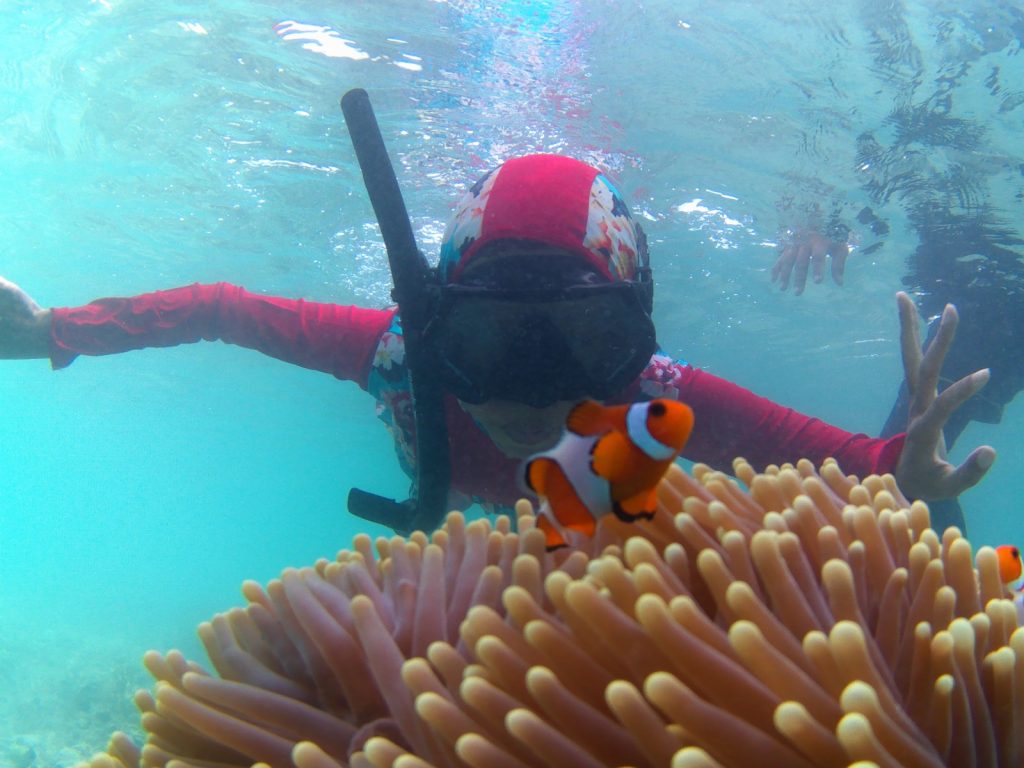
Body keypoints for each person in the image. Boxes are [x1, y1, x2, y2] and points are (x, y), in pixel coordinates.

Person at [0, 154, 995, 531]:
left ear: (632, 342)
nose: (528, 393)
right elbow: (218, 304)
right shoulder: (395, 350)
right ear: (432, 324)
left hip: (584, 538)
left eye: (575, 343)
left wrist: (895, 462)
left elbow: (843, 458)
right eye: (487, 341)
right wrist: (57, 331)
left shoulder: (653, 397)